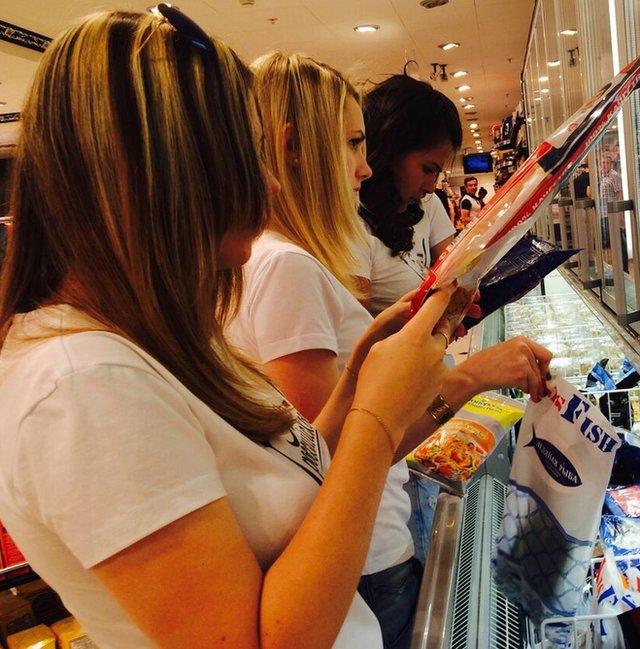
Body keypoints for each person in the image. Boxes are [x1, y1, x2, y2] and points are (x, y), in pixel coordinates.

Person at [0, 9, 460, 648]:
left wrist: (361, 377)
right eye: (245, 155)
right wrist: (378, 423)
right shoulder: (81, 384)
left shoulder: (151, 338)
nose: (268, 183)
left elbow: (284, 488)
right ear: (160, 169)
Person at [229, 55, 553, 649]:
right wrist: (471, 378)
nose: (363, 167)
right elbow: (338, 457)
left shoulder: (285, 261)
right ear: (293, 147)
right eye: (352, 144)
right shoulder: (287, 269)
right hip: (363, 556)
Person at [355, 75, 460, 316]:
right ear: (390, 149)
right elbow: (361, 341)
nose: (432, 187)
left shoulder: (422, 204)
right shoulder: (350, 224)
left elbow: (455, 273)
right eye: (428, 169)